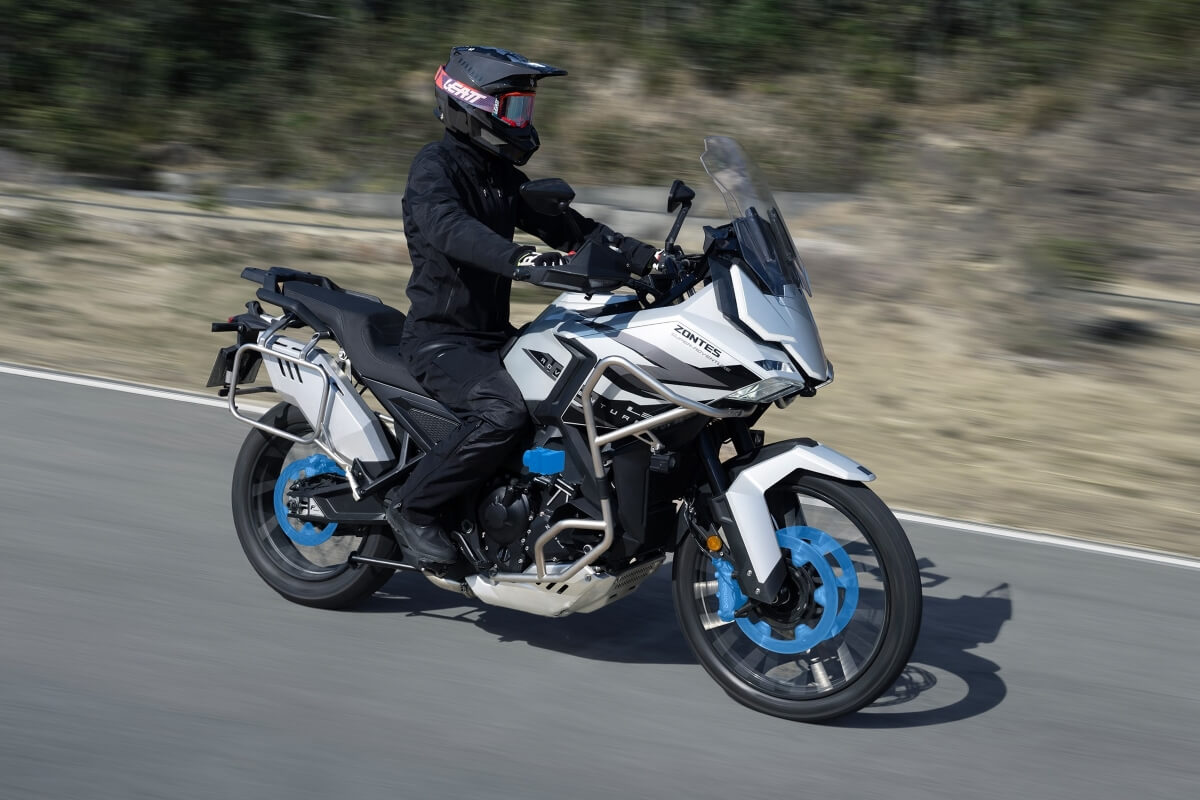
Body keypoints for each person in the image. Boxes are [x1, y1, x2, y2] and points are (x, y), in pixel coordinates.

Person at [390, 46, 659, 566]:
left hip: (494, 335)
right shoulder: (434, 168)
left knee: (580, 391)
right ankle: (412, 509)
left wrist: (651, 258)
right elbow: (449, 228)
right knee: (504, 412)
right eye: (513, 108)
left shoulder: (500, 176)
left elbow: (576, 230)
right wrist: (521, 259)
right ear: (471, 105)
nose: (523, 120)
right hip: (441, 339)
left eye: (526, 109)